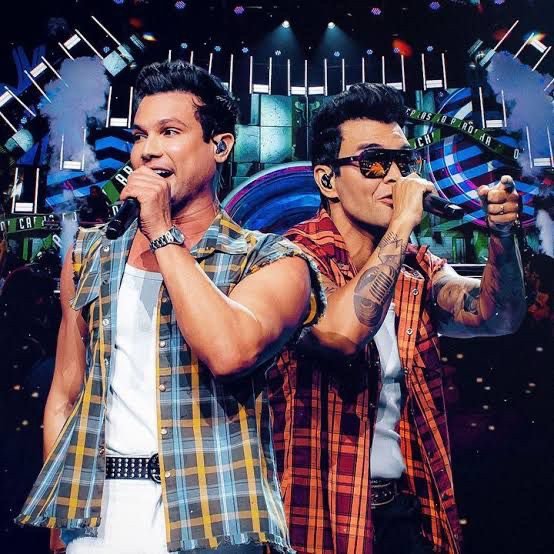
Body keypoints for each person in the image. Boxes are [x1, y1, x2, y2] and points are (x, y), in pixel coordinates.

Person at [16, 60, 324, 554]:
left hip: (214, 517)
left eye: (170, 132)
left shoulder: (273, 260)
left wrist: (162, 231)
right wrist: (60, 520)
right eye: (141, 135)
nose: (148, 150)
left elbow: (229, 351)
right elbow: (65, 395)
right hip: (98, 516)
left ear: (220, 146)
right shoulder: (90, 252)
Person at [268, 83, 526, 554]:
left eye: (403, 163)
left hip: (403, 512)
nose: (394, 177)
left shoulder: (416, 268)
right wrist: (403, 221)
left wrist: (502, 238)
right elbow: (341, 334)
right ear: (327, 180)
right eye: (373, 162)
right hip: (317, 513)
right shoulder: (290, 260)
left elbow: (497, 316)